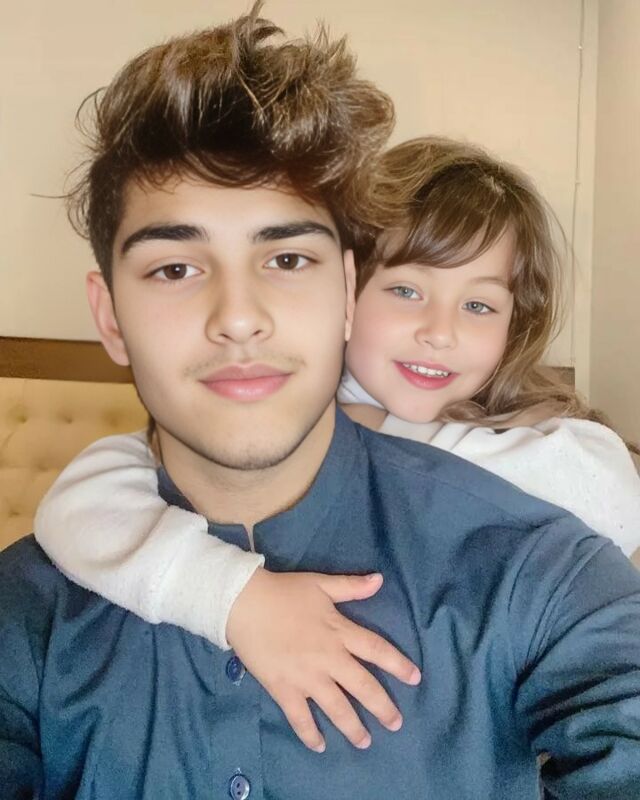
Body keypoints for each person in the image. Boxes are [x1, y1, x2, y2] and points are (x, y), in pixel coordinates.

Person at [2, 6, 640, 799]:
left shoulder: (530, 561)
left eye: (287, 259)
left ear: (344, 288)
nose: (239, 317)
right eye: (174, 269)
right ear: (108, 318)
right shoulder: (26, 612)